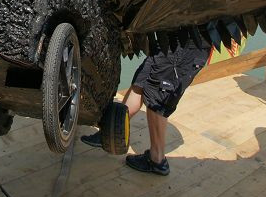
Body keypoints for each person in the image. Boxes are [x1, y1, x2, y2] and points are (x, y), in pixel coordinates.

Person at [81, 40, 211, 175]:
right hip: (171, 39)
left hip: (186, 45)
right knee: (141, 81)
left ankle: (157, 160)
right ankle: (110, 132)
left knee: (157, 95)